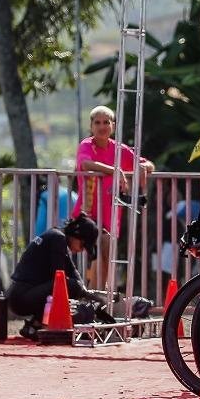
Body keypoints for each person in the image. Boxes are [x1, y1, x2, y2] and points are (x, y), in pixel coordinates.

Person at [71, 106, 153, 284]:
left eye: (106, 122)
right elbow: (85, 164)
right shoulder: (86, 144)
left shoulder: (119, 149)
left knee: (106, 252)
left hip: (111, 214)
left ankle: (96, 296)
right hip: (86, 214)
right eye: (97, 122)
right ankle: (91, 295)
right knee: (97, 251)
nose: (102, 126)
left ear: (113, 126)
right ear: (91, 126)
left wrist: (143, 167)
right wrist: (115, 170)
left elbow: (148, 164)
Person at [7, 214, 100, 338]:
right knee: (68, 285)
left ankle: (33, 326)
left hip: (19, 294)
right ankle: (40, 324)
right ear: (76, 235)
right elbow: (60, 278)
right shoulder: (58, 239)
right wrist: (84, 295)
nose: (81, 250)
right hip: (21, 297)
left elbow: (73, 271)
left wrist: (92, 296)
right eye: (83, 245)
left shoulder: (56, 236)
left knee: (72, 284)